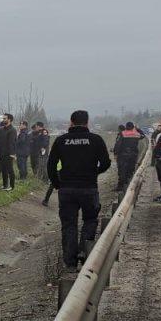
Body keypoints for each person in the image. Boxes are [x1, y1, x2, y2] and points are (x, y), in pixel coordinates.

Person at [46, 110, 111, 269]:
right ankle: (84, 251)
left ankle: (70, 262)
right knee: (90, 219)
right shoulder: (96, 140)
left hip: (67, 188)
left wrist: (57, 183)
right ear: (87, 122)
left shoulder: (61, 140)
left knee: (69, 224)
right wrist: (94, 173)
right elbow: (106, 163)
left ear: (71, 122)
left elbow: (51, 165)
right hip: (89, 187)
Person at [112, 121, 142, 190]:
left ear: (126, 127)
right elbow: (142, 135)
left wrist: (115, 153)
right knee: (130, 170)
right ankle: (128, 184)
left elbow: (118, 144)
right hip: (133, 155)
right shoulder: (136, 134)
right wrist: (137, 129)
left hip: (123, 155)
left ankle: (120, 186)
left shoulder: (122, 133)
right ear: (133, 127)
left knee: (122, 170)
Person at [0, 113, 17, 190]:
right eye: (3, 118)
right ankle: (4, 185)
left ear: (9, 120)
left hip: (9, 154)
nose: (3, 120)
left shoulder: (12, 130)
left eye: (4, 118)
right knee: (3, 169)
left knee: (10, 170)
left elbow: (12, 143)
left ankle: (12, 186)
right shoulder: (2, 130)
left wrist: (12, 154)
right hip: (1, 153)